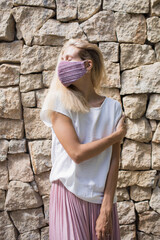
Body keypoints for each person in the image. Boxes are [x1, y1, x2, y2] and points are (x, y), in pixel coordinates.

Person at [40, 38, 126, 240]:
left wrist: (107, 207)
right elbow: (76, 154)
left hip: (102, 200)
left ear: (87, 65)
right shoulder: (58, 102)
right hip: (69, 195)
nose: (62, 64)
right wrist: (116, 137)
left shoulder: (113, 108)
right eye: (61, 58)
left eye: (68, 58)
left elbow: (114, 160)